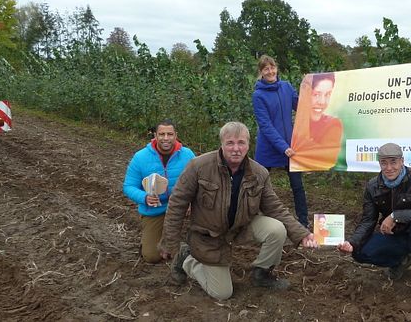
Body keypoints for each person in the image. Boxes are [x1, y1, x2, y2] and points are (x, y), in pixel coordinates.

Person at [159, 121, 318, 300]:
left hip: (241, 227)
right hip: (209, 236)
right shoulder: (198, 166)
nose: (236, 148)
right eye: (230, 143)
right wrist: (170, 242)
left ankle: (261, 274)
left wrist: (302, 234)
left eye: (241, 143)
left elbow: (275, 208)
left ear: (248, 145)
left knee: (277, 229)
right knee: (222, 293)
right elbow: (177, 204)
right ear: (222, 144)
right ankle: (188, 260)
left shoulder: (259, 173)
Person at [336, 143, 411, 307]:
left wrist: (395, 216)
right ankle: (399, 260)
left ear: (402, 161)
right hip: (396, 236)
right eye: (384, 163)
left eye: (393, 162)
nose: (389, 167)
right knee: (359, 251)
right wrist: (352, 242)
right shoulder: (372, 186)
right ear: (379, 164)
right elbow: (368, 220)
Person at [122, 119, 195, 263]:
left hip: (181, 207)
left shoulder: (187, 155)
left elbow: (199, 181)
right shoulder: (140, 157)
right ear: (155, 135)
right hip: (155, 209)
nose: (166, 138)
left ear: (176, 135)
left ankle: (183, 241)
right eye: (162, 134)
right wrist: (144, 197)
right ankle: (154, 240)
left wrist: (192, 201)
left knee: (196, 245)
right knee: (152, 256)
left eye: (170, 134)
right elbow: (128, 186)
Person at [252, 55, 309, 227]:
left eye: (272, 67)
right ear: (261, 72)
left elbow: (300, 106)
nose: (270, 71)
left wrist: (309, 89)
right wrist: (283, 147)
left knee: (297, 186)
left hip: (290, 147)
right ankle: (251, 219)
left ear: (277, 68)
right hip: (269, 147)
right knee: (257, 187)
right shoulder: (258, 95)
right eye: (266, 69)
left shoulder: (286, 87)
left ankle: (303, 223)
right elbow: (265, 125)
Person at [290, 72, 344, 171]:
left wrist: (307, 147)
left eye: (327, 94)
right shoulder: (297, 123)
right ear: (306, 94)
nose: (322, 102)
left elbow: (328, 158)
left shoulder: (333, 124)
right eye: (316, 94)